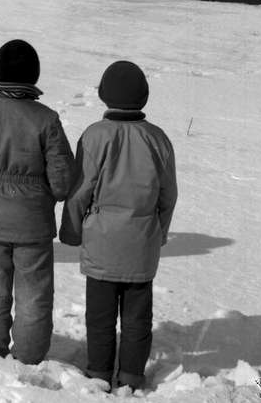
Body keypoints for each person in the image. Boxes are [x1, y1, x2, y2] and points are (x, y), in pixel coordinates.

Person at [0, 39, 77, 364]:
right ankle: (29, 356)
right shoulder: (46, 120)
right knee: (34, 293)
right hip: (33, 223)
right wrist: (49, 195)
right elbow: (63, 177)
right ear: (33, 77)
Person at [59, 60, 177, 393]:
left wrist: (71, 230)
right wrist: (159, 232)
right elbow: (168, 194)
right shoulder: (158, 139)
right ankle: (131, 377)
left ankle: (98, 372)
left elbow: (80, 190)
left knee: (100, 316)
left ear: (104, 95)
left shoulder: (95, 136)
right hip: (141, 243)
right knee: (138, 317)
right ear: (144, 97)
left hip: (101, 242)